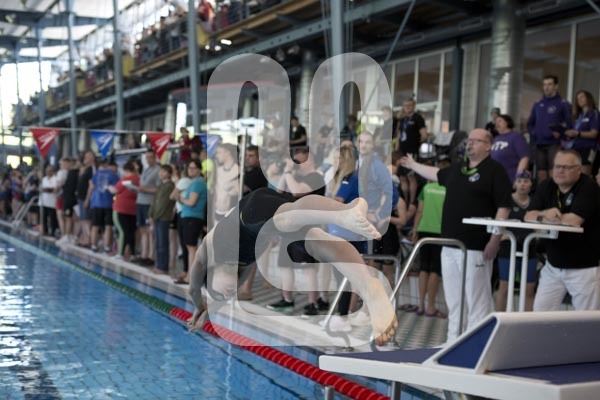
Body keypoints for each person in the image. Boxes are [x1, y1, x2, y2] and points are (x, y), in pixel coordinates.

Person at [186, 187, 397, 346]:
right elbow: (222, 294)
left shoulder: (208, 252)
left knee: (286, 219)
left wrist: (199, 308)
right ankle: (370, 287)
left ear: (209, 276)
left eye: (219, 293)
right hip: (274, 222)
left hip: (251, 210)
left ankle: (345, 211)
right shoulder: (242, 269)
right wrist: (209, 311)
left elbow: (194, 289)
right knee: (318, 243)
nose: (228, 294)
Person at [400, 129, 512, 341]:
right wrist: (413, 165)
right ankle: (453, 342)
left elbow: (504, 207)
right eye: (469, 140)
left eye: (476, 141)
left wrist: (495, 240)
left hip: (476, 247)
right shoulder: (459, 168)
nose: (470, 144)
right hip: (449, 244)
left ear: (488, 146)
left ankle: (478, 346)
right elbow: (436, 174)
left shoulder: (495, 171)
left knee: (477, 300)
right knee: (454, 301)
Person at [524, 150, 600, 311]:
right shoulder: (546, 185)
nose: (560, 171)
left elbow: (574, 221)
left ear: (578, 170)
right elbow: (528, 215)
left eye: (566, 167)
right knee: (540, 315)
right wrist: (545, 214)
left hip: (583, 267)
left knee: (585, 321)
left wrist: (542, 218)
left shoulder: (589, 187)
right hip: (553, 265)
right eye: (557, 166)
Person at [495, 171, 537, 312]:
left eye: (525, 181)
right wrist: (502, 237)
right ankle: (500, 319)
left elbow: (540, 225)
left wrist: (537, 236)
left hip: (529, 247)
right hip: (508, 247)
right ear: (514, 184)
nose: (522, 184)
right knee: (505, 287)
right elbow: (498, 222)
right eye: (519, 181)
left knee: (529, 289)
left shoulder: (535, 202)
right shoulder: (506, 200)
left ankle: (528, 321)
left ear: (531, 184)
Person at [527, 75, 572, 182]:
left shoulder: (563, 104)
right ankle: (543, 193)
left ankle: (555, 193)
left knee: (554, 172)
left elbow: (570, 125)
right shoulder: (538, 104)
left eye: (549, 84)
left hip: (554, 143)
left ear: (556, 86)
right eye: (544, 85)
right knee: (541, 173)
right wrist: (535, 133)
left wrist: (561, 133)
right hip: (539, 143)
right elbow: (530, 124)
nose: (546, 87)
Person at [563, 90, 599, 176]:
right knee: (574, 174)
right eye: (577, 98)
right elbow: (573, 131)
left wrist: (578, 134)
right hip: (575, 148)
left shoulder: (594, 114)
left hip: (587, 148)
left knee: (585, 175)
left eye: (582, 97)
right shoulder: (578, 116)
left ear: (588, 98)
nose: (579, 99)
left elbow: (594, 133)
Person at [149, 165, 176, 275]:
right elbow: (155, 201)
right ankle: (159, 265)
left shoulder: (170, 186)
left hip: (164, 217)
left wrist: (156, 215)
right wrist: (151, 214)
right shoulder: (161, 185)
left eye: (164, 172)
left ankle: (163, 267)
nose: (161, 173)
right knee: (158, 242)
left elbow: (164, 204)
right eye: (161, 171)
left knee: (163, 243)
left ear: (169, 174)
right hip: (157, 217)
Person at [490, 114, 530, 184]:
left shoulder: (516, 137)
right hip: (495, 178)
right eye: (496, 122)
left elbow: (524, 157)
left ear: (507, 122)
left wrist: (518, 177)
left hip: (510, 178)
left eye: (500, 121)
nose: (497, 124)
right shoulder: (496, 138)